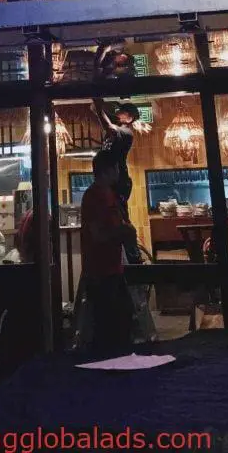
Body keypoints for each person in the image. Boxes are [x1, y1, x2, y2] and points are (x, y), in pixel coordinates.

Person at [80, 149, 136, 355]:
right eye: (117, 168)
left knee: (123, 319)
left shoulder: (110, 195)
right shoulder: (94, 196)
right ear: (107, 170)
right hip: (100, 271)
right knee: (107, 326)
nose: (119, 172)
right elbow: (97, 234)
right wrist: (122, 231)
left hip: (113, 269)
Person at [92, 96, 143, 264]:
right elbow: (106, 127)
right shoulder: (115, 133)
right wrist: (98, 110)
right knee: (111, 216)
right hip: (111, 180)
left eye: (123, 111)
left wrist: (99, 109)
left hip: (118, 181)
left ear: (129, 118)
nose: (119, 112)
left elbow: (109, 127)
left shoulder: (126, 132)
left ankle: (133, 258)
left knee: (120, 218)